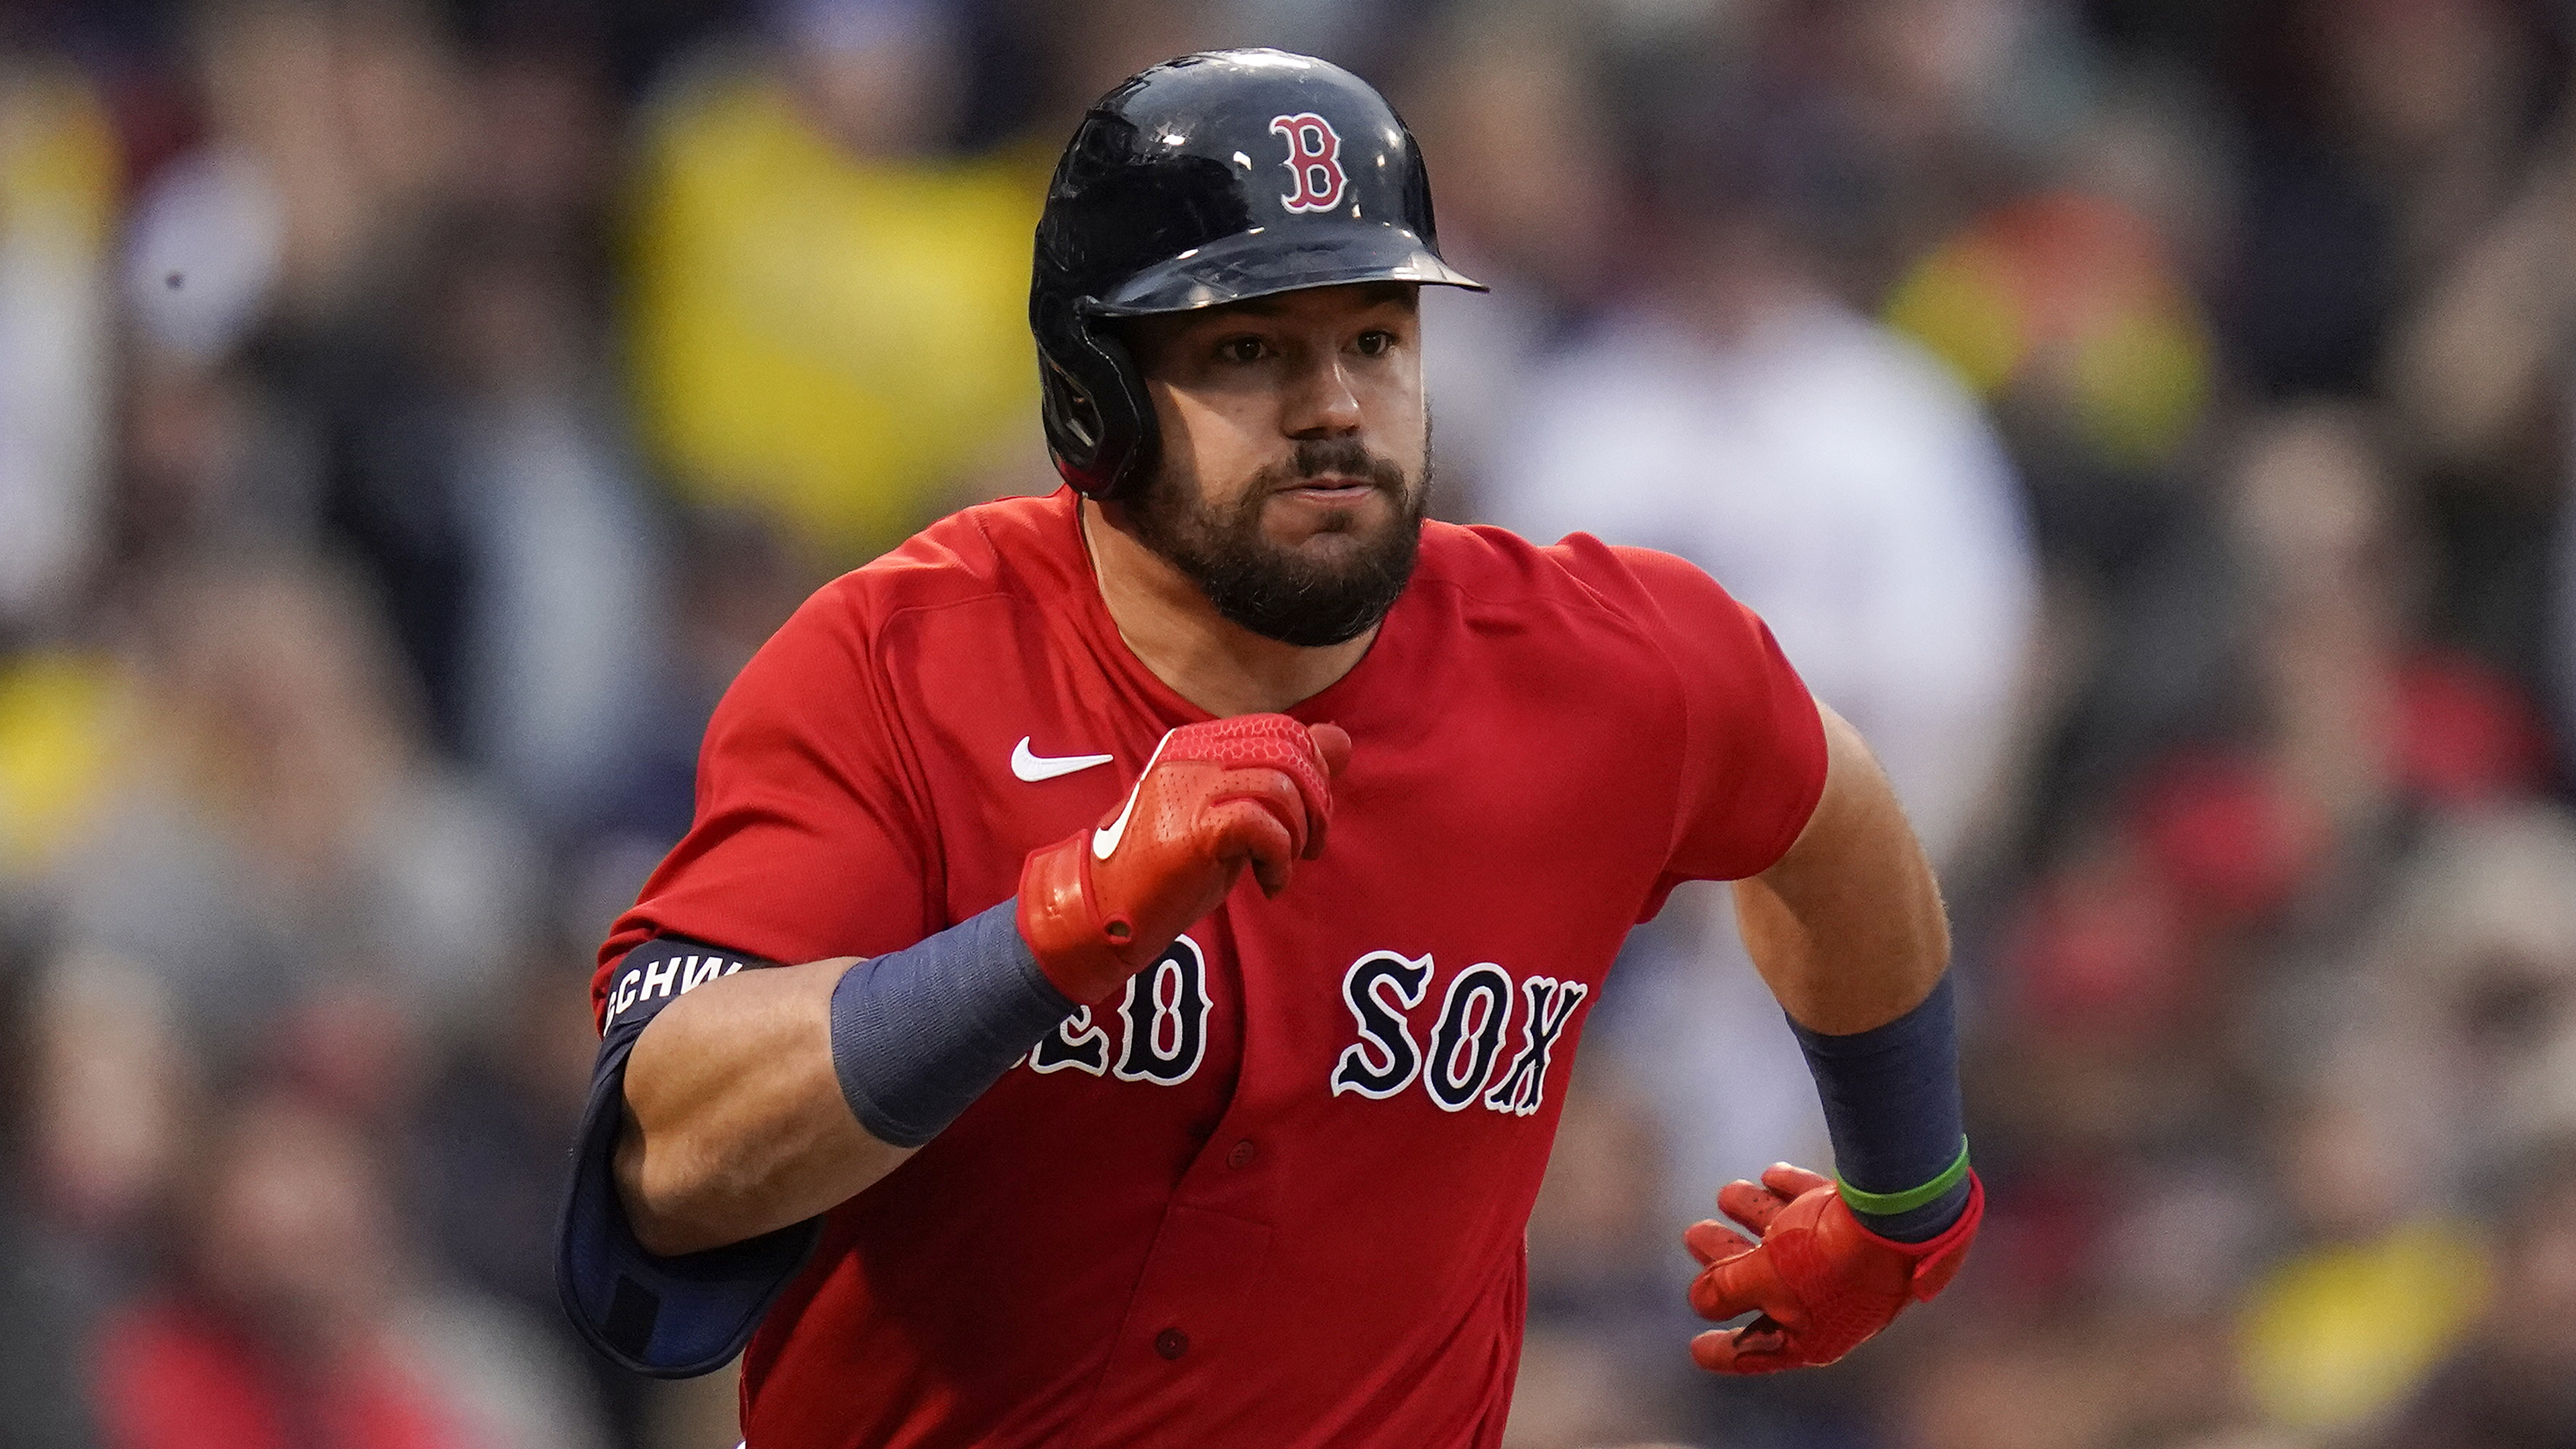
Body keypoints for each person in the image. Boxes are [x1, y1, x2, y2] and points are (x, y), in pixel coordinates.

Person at [557, 49, 1982, 1449]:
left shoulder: (1607, 664)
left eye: (1376, 338)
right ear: (1092, 397)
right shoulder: (898, 659)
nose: (1335, 408)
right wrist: (1051, 934)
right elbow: (672, 1164)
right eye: (1249, 349)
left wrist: (1903, 1199)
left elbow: (1833, 819)